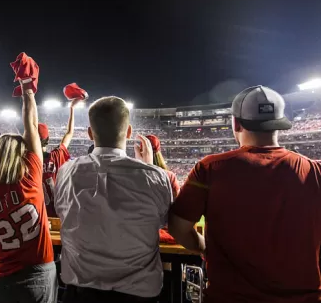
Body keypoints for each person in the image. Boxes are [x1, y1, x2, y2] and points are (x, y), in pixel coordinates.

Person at [169, 85, 321, 302]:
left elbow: (178, 227)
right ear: (279, 122)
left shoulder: (210, 168)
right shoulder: (315, 171)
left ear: (236, 123)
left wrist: (202, 246)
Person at [54, 96, 173, 303]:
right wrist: (148, 167)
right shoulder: (156, 176)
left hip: (80, 293)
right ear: (128, 132)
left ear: (90, 134)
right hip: (137, 294)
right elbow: (162, 221)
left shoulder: (66, 172)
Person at [0, 79, 56, 303]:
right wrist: (28, 90)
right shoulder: (30, 179)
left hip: (0, 274)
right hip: (37, 271)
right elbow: (31, 126)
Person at [41, 98, 78, 217]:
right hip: (59, 212)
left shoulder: (28, 161)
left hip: (38, 214)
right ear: (47, 140)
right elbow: (69, 133)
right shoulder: (57, 155)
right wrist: (72, 109)